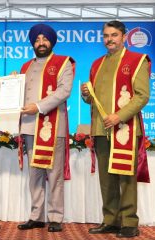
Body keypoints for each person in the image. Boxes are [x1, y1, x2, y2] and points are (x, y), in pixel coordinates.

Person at [81, 20, 150, 238]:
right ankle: (110, 220)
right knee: (106, 178)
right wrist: (86, 95)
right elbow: (93, 101)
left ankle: (129, 222)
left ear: (124, 36)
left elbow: (142, 96)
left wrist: (119, 116)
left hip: (126, 129)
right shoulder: (96, 64)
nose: (109, 39)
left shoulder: (138, 60)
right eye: (106, 36)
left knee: (126, 178)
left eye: (114, 35)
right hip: (101, 130)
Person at [17, 23, 75, 232]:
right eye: (37, 40)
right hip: (30, 127)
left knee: (54, 174)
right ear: (33, 43)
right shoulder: (25, 66)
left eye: (45, 39)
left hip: (53, 126)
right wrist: (13, 84)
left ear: (52, 41)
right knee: (35, 175)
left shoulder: (63, 63)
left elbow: (64, 91)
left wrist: (39, 107)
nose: (41, 43)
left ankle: (56, 217)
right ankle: (36, 216)